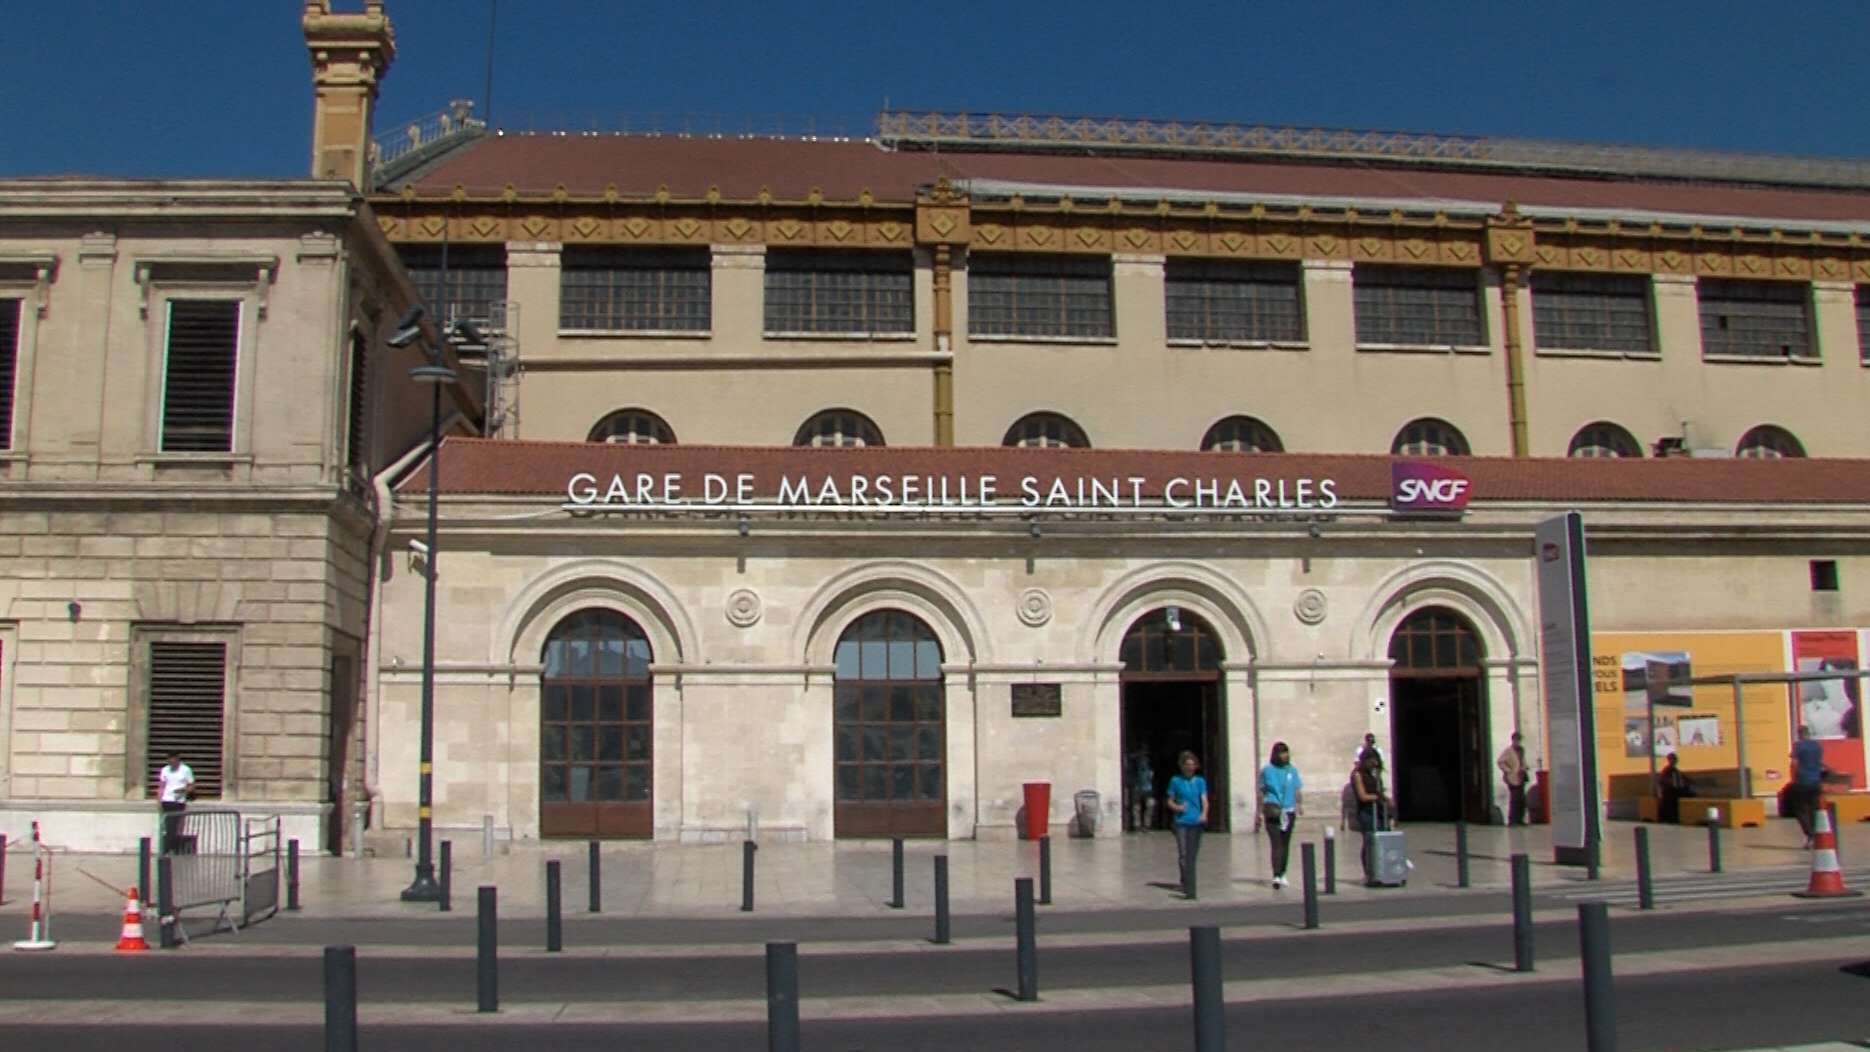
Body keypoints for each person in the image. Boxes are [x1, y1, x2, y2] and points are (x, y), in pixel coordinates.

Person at [1258, 742, 1302, 889]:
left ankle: (1283, 872)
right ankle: (1276, 875)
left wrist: (1299, 805)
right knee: (1276, 843)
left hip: (1288, 810)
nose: (1285, 756)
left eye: (1286, 752)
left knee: (1285, 843)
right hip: (1273, 809)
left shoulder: (1292, 771)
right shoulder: (1267, 771)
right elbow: (1261, 792)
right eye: (1282, 753)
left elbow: (1297, 789)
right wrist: (1259, 811)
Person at [1165, 750, 1209, 899]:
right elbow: (1169, 800)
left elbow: (1204, 799)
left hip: (1196, 822)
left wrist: (1204, 814)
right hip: (1181, 822)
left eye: (1192, 765)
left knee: (1193, 854)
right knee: (1184, 854)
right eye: (1187, 765)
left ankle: (1188, 881)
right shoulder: (1175, 781)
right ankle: (1186, 883)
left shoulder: (1200, 781)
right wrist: (1177, 808)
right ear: (1182, 766)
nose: (1190, 767)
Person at [1353, 750, 1386, 886]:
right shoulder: (1357, 775)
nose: (1374, 765)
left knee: (1380, 841)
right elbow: (1362, 795)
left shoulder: (1375, 775)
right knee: (1368, 841)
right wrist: (1378, 797)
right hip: (1366, 812)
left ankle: (1380, 871)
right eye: (1372, 762)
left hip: (1377, 811)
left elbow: (1379, 790)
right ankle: (1368, 873)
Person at [1790, 726, 1825, 845]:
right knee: (1814, 809)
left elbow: (1794, 763)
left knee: (1799, 809)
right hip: (1816, 782)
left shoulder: (1798, 745)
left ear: (1799, 734)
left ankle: (1809, 833)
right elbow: (1820, 762)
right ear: (1808, 733)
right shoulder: (1817, 745)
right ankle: (1815, 834)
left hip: (1802, 781)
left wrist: (1794, 778)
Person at [157, 752, 195, 854]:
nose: (171, 763)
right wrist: (159, 800)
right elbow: (162, 786)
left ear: (177, 760)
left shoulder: (186, 770)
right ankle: (168, 848)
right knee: (168, 825)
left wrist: (183, 791)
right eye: (169, 761)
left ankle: (173, 847)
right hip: (167, 800)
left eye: (173, 761)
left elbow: (191, 786)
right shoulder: (165, 770)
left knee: (176, 826)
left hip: (179, 801)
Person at [1497, 731, 1530, 826]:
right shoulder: (1508, 751)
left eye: (1519, 740)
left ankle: (1520, 819)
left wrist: (1525, 766)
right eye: (1516, 740)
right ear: (1513, 740)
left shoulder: (1521, 750)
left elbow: (1522, 761)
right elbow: (1500, 761)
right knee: (1515, 798)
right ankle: (1512, 820)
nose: (1518, 742)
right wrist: (1508, 770)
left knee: (1522, 800)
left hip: (1521, 776)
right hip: (1512, 778)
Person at [1656, 752, 1694, 824]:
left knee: (1689, 795)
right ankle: (1671, 819)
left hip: (1674, 792)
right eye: (1673, 759)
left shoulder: (1676, 771)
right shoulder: (1667, 770)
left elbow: (1685, 779)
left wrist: (1688, 782)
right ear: (1669, 760)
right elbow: (1662, 781)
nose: (1674, 761)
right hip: (1669, 793)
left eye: (1675, 759)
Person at [1128, 749, 1157, 832]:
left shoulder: (1150, 766)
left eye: (1145, 757)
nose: (1144, 759)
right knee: (1136, 807)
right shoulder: (1135, 765)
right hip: (1138, 788)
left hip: (1148, 789)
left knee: (1150, 805)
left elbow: (1152, 777)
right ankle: (1137, 825)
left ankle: (1146, 825)